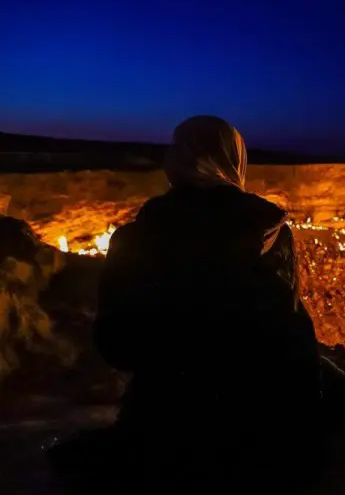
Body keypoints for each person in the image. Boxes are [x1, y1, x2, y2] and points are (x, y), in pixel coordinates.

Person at [50, 116, 327, 493]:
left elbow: (118, 345)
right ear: (234, 161)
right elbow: (294, 336)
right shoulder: (270, 234)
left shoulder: (136, 240)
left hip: (165, 421)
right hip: (258, 422)